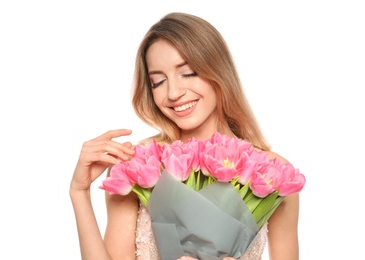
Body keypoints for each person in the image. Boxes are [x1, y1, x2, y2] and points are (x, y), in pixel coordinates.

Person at [70, 12, 300, 260]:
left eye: (188, 73)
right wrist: (79, 193)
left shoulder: (273, 174)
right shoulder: (137, 166)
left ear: (218, 70)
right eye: (158, 81)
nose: (173, 92)